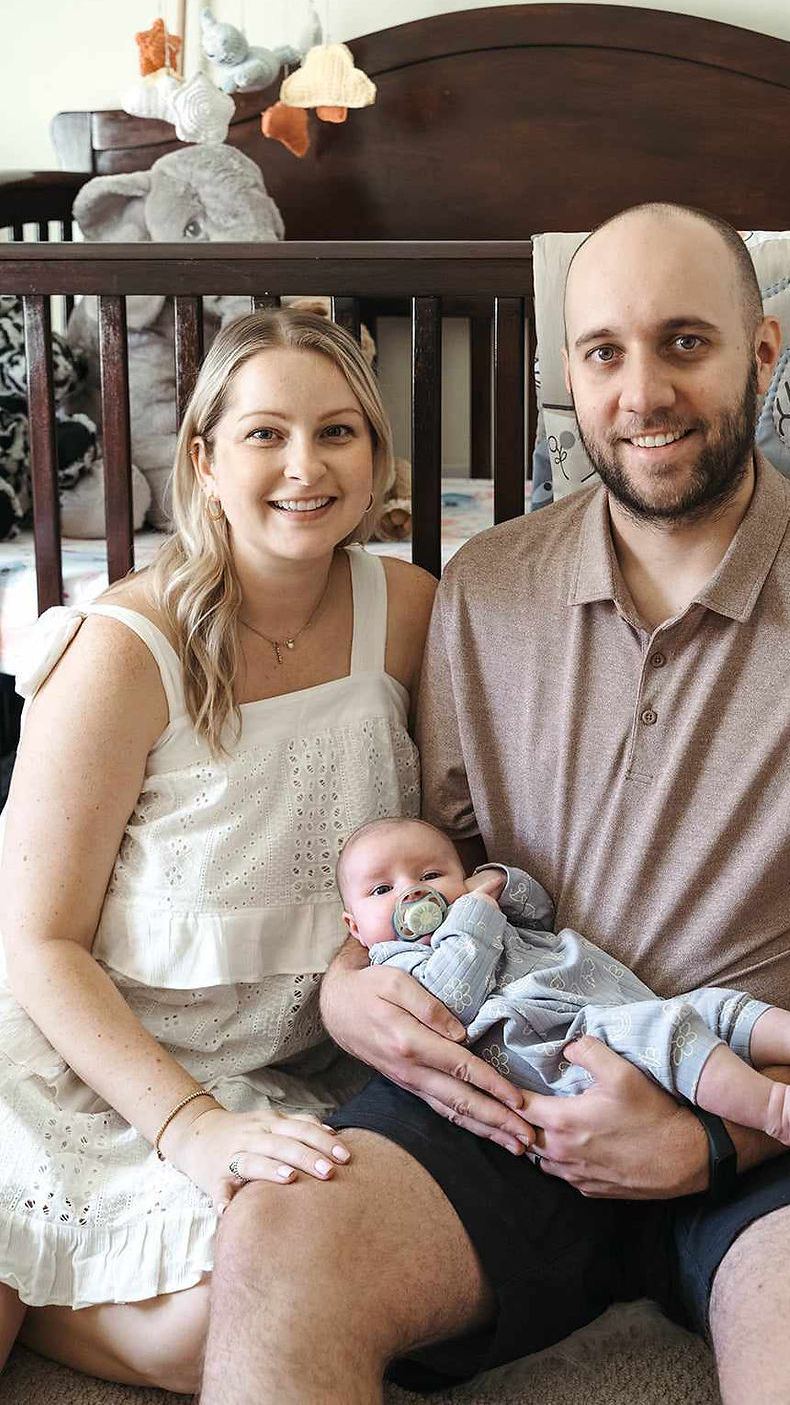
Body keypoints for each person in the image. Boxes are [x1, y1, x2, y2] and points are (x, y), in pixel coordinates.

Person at [201, 205, 790, 1405]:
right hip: (519, 1073)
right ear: (569, 375)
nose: (642, 392)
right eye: (604, 352)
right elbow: (438, 868)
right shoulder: (485, 587)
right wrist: (354, 990)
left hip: (787, 1118)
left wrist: (721, 1135)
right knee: (276, 1245)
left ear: (761, 355)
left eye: (684, 343)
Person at [0, 310, 435, 1390]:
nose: (304, 466)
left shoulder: (411, 613)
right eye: (264, 435)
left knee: (261, 1313)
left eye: (338, 433)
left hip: (265, 1067)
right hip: (72, 1050)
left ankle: (55, 1294)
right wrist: (185, 1129)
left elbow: (449, 834)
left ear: (375, 457)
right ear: (203, 458)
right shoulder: (123, 650)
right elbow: (39, 940)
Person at [339, 815, 790, 1147]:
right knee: (671, 1029)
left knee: (712, 1007)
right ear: (355, 928)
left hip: (616, 1006)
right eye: (381, 890)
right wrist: (474, 912)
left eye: (431, 874)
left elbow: (539, 908)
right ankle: (778, 1111)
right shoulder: (394, 967)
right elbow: (451, 997)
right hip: (565, 1051)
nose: (413, 893)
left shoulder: (480, 907)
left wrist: (499, 884)